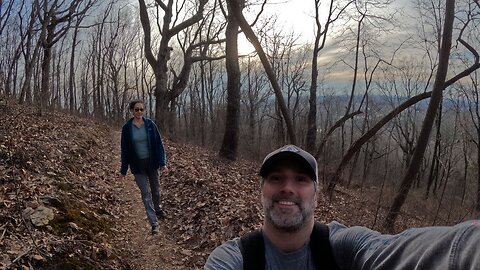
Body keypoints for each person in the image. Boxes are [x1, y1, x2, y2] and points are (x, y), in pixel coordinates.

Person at [204, 144, 480, 270]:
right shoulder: (232, 260)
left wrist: (467, 247)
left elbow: (399, 250)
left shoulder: (343, 247)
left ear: (316, 198)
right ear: (261, 193)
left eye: (301, 179)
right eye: (276, 178)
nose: (287, 187)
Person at [119, 100, 169, 235]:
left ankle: (158, 209)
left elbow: (159, 145)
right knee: (146, 194)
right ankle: (154, 224)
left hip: (152, 164)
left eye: (141, 109)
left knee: (156, 190)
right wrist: (123, 170)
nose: (139, 112)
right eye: (136, 110)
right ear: (131, 110)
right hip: (137, 166)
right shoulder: (127, 128)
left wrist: (163, 163)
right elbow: (125, 151)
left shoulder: (150, 125)